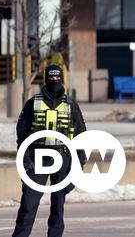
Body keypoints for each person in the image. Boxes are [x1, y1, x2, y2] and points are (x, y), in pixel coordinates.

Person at [13, 64, 87, 237]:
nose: (54, 80)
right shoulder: (33, 103)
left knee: (58, 209)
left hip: (63, 158)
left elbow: (81, 133)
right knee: (28, 206)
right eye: (51, 77)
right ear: (46, 79)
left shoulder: (71, 105)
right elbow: (22, 130)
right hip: (38, 158)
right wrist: (25, 157)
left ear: (62, 79)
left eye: (57, 77)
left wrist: (79, 162)